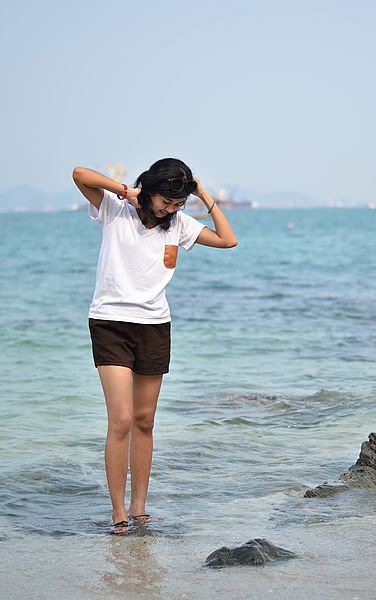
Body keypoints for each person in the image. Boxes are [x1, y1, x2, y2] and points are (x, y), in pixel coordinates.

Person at [72, 158, 238, 534]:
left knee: (145, 421)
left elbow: (228, 240)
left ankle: (140, 507)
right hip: (110, 322)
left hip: (154, 326)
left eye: (178, 203)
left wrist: (202, 194)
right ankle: (117, 513)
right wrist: (124, 191)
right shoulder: (114, 210)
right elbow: (79, 174)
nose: (171, 209)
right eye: (166, 201)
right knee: (122, 420)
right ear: (149, 190)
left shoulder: (178, 224)